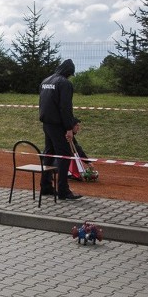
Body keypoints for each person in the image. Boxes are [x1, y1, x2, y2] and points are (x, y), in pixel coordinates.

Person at [39, 59, 82, 200]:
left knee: (49, 154)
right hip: (58, 125)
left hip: (46, 123)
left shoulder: (46, 81)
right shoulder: (65, 83)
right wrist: (69, 127)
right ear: (68, 72)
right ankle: (63, 191)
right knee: (64, 156)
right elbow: (65, 108)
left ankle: (45, 186)